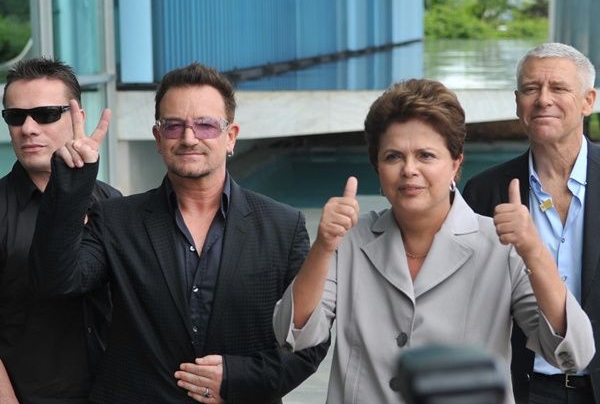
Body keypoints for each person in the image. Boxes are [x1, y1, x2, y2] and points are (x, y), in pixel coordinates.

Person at [272, 78, 595, 404]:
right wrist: (323, 246)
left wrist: (535, 252)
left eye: (426, 156)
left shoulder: (501, 246)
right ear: (377, 167)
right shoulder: (350, 241)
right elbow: (293, 335)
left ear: (455, 164)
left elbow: (572, 353)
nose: (409, 170)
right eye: (393, 157)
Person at [28, 62, 328, 404]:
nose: (189, 138)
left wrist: (238, 378)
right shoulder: (115, 219)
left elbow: (310, 341)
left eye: (205, 125)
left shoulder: (283, 226)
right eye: (173, 126)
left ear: (230, 137)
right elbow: (56, 281)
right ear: (158, 138)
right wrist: (73, 182)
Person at [463, 42, 599, 404]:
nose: (543, 99)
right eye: (530, 88)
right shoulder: (484, 191)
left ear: (588, 101)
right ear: (517, 101)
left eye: (558, 88)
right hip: (522, 387)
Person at [0, 58, 120, 404]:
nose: (29, 128)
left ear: (77, 117)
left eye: (46, 114)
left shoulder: (111, 204)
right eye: (15, 116)